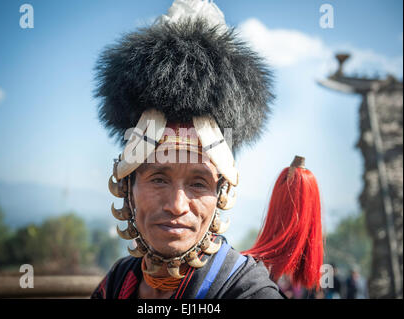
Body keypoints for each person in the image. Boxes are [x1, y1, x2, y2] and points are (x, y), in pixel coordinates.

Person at [90, 0, 322, 299]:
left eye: (199, 183)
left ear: (222, 193)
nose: (176, 205)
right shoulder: (117, 283)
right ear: (126, 187)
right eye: (158, 178)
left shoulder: (249, 293)